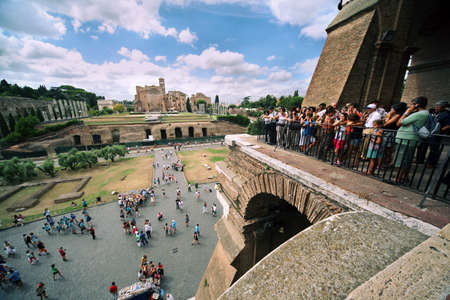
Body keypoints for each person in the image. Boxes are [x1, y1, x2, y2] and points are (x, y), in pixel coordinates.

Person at [395, 96, 430, 183]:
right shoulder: (424, 113)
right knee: (407, 159)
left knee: (402, 160)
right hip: (410, 139)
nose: (410, 106)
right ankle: (405, 177)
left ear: (417, 104)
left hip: (407, 139)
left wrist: (407, 112)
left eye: (411, 104)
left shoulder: (419, 114)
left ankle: (398, 179)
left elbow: (399, 122)